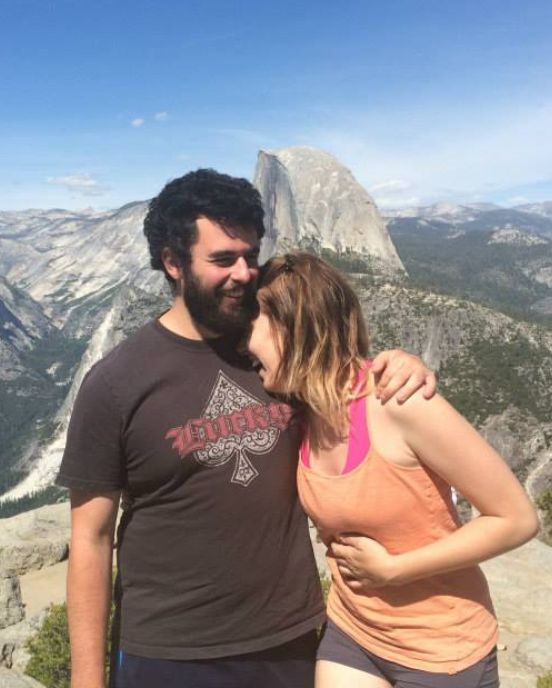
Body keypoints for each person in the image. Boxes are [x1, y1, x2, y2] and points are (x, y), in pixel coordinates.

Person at [56, 169, 436, 688]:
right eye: (221, 259)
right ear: (173, 263)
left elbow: (350, 383)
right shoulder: (116, 384)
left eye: (249, 256)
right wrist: (86, 680)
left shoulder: (278, 348)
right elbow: (91, 539)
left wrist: (400, 364)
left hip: (291, 637)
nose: (243, 273)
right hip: (169, 653)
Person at [247, 252, 540, 688]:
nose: (243, 341)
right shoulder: (298, 409)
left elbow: (517, 519)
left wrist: (394, 571)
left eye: (252, 323)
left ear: (292, 327)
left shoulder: (399, 403)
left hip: (440, 646)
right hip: (353, 631)